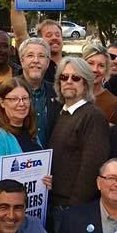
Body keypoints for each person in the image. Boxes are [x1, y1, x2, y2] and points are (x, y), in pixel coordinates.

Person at [47, 57, 110, 219]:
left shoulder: (93, 116)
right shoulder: (61, 114)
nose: (68, 81)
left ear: (86, 83)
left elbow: (91, 168)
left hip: (72, 210)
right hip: (54, 204)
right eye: (63, 77)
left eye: (75, 78)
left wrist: (73, 211)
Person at [0, 79, 53, 193]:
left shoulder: (30, 131)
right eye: (14, 99)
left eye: (25, 98)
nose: (22, 104)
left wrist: (45, 181)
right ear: (2, 102)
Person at [15, 38, 58, 145]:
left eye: (41, 56)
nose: (36, 60)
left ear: (48, 62)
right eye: (30, 55)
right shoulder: (3, 90)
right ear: (21, 60)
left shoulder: (57, 92)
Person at [81, 43, 117, 122]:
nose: (95, 69)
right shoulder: (71, 94)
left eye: (101, 65)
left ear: (106, 70)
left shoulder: (113, 103)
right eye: (90, 63)